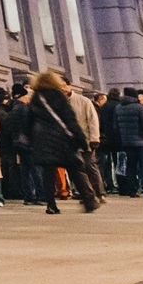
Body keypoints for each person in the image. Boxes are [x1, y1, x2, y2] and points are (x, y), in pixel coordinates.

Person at [24, 71, 99, 214]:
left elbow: (28, 122)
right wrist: (82, 139)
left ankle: (51, 205)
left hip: (43, 142)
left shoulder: (35, 98)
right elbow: (70, 119)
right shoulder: (58, 96)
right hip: (62, 140)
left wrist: (30, 140)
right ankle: (89, 201)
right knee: (75, 169)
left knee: (48, 174)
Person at [66, 83, 105, 201]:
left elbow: (92, 120)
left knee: (90, 166)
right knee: (78, 169)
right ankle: (87, 194)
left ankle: (99, 193)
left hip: (86, 140)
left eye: (63, 86)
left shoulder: (83, 101)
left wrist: (94, 138)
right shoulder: (58, 102)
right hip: (69, 142)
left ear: (69, 86)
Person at [114, 88, 143, 197]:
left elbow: (116, 127)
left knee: (130, 167)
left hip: (127, 143)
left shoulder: (118, 108)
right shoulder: (139, 108)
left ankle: (132, 190)